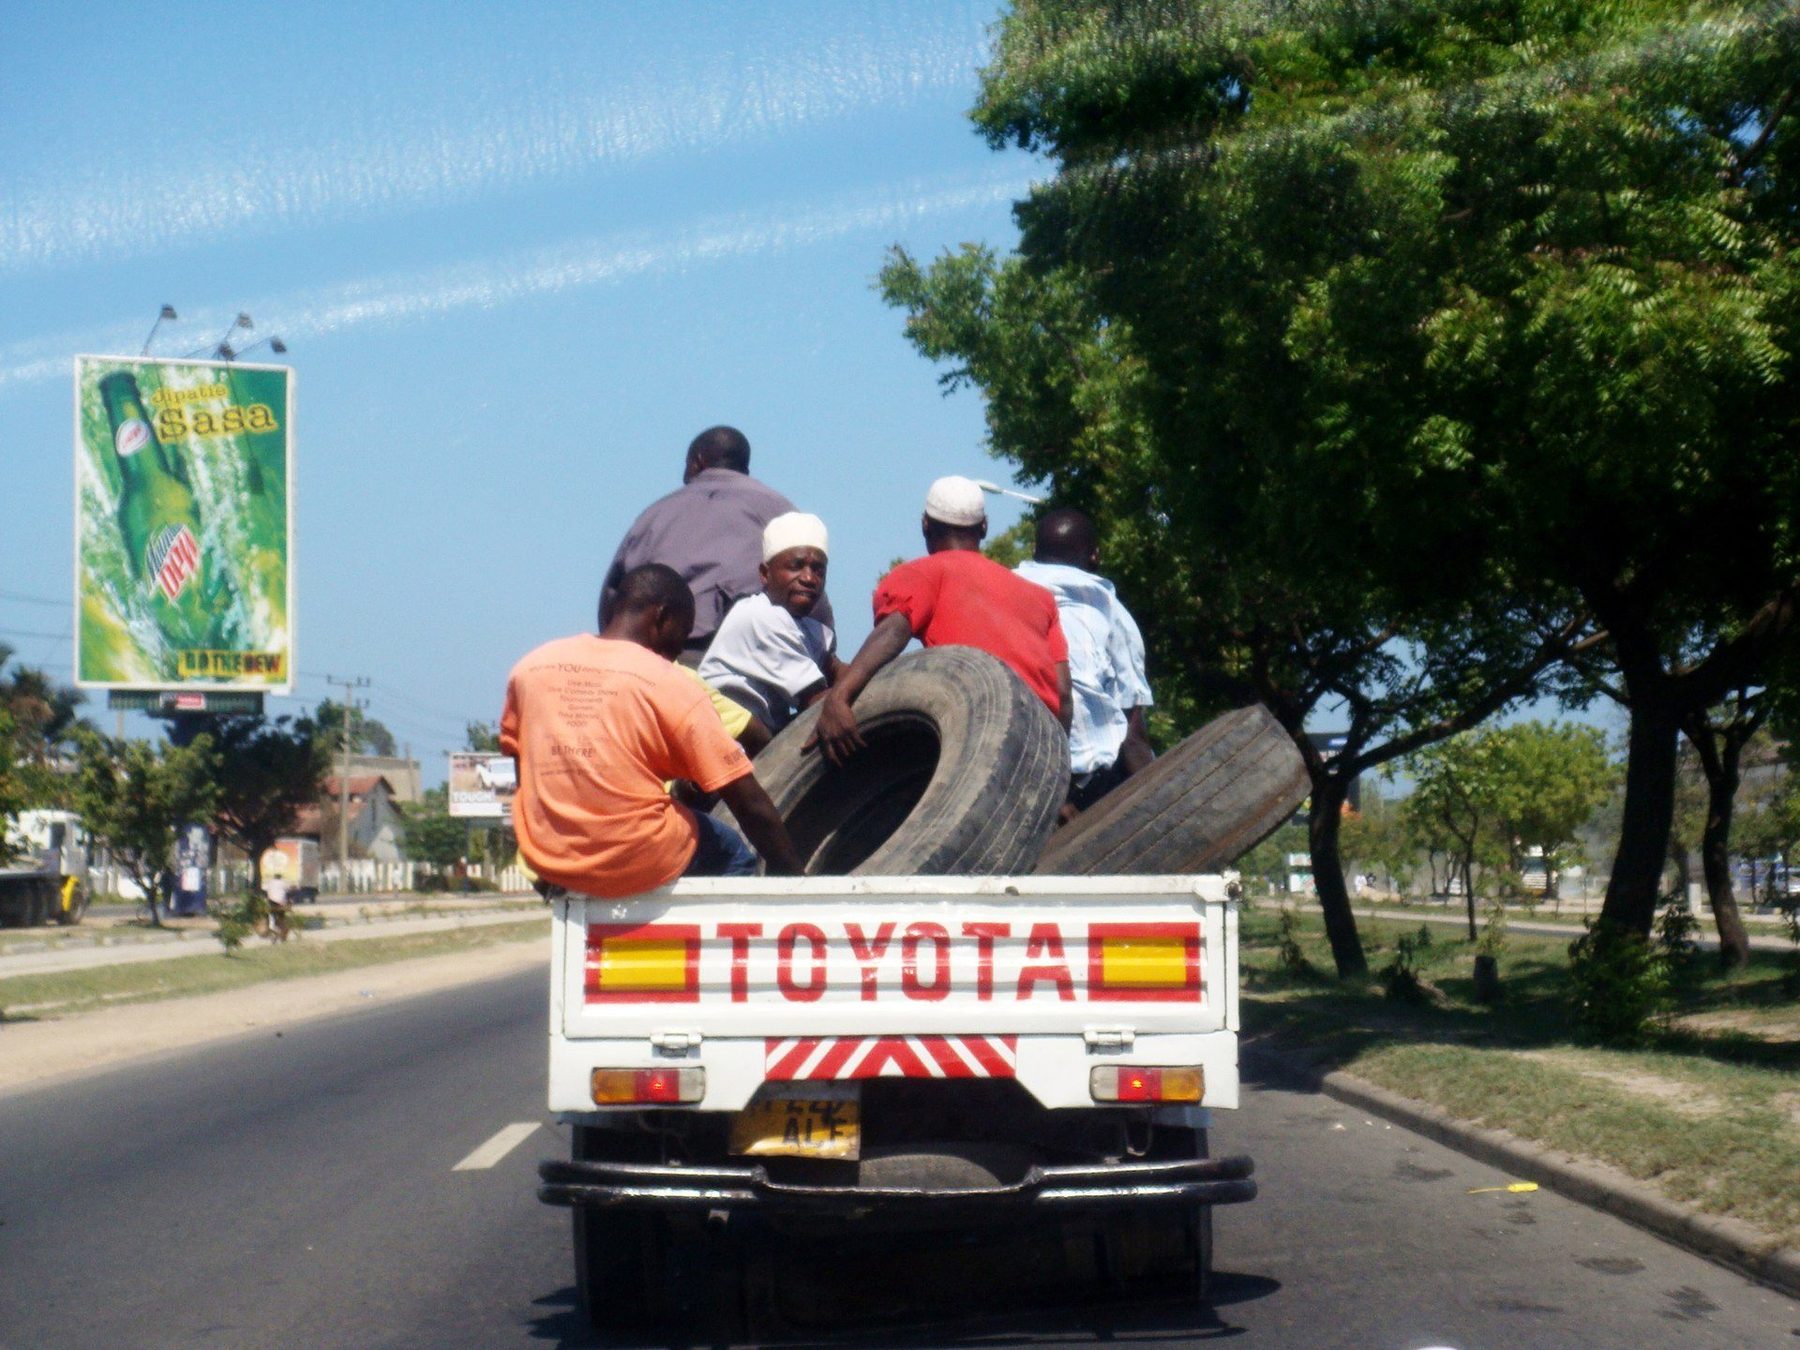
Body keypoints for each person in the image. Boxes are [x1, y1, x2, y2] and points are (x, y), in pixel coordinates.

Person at [500, 564, 804, 897]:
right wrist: (790, 874)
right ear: (662, 618)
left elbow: (522, 765)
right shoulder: (669, 682)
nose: (678, 652)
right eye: (681, 634)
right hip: (638, 855)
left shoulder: (531, 669)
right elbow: (746, 799)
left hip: (551, 860)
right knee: (732, 852)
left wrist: (543, 843)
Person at [810, 476, 1071, 766]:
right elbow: (1063, 693)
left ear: (925, 524)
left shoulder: (922, 574)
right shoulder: (1040, 597)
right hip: (1041, 737)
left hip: (983, 728)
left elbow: (893, 632)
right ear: (984, 526)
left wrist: (839, 697)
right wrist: (1058, 769)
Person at [602, 426, 832, 665]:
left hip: (659, 663)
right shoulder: (780, 511)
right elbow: (813, 601)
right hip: (754, 665)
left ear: (697, 462)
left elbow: (612, 603)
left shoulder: (653, 516)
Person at [1015, 507, 1155, 813]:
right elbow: (1132, 734)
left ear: (1035, 550)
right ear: (1094, 556)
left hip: (1017, 778)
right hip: (1091, 785)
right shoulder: (1110, 612)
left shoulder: (1003, 595)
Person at [699, 512, 843, 741]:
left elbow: (837, 671)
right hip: (724, 747)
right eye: (796, 566)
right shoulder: (760, 616)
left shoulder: (806, 626)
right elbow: (817, 702)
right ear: (765, 574)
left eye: (818, 570)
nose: (809, 578)